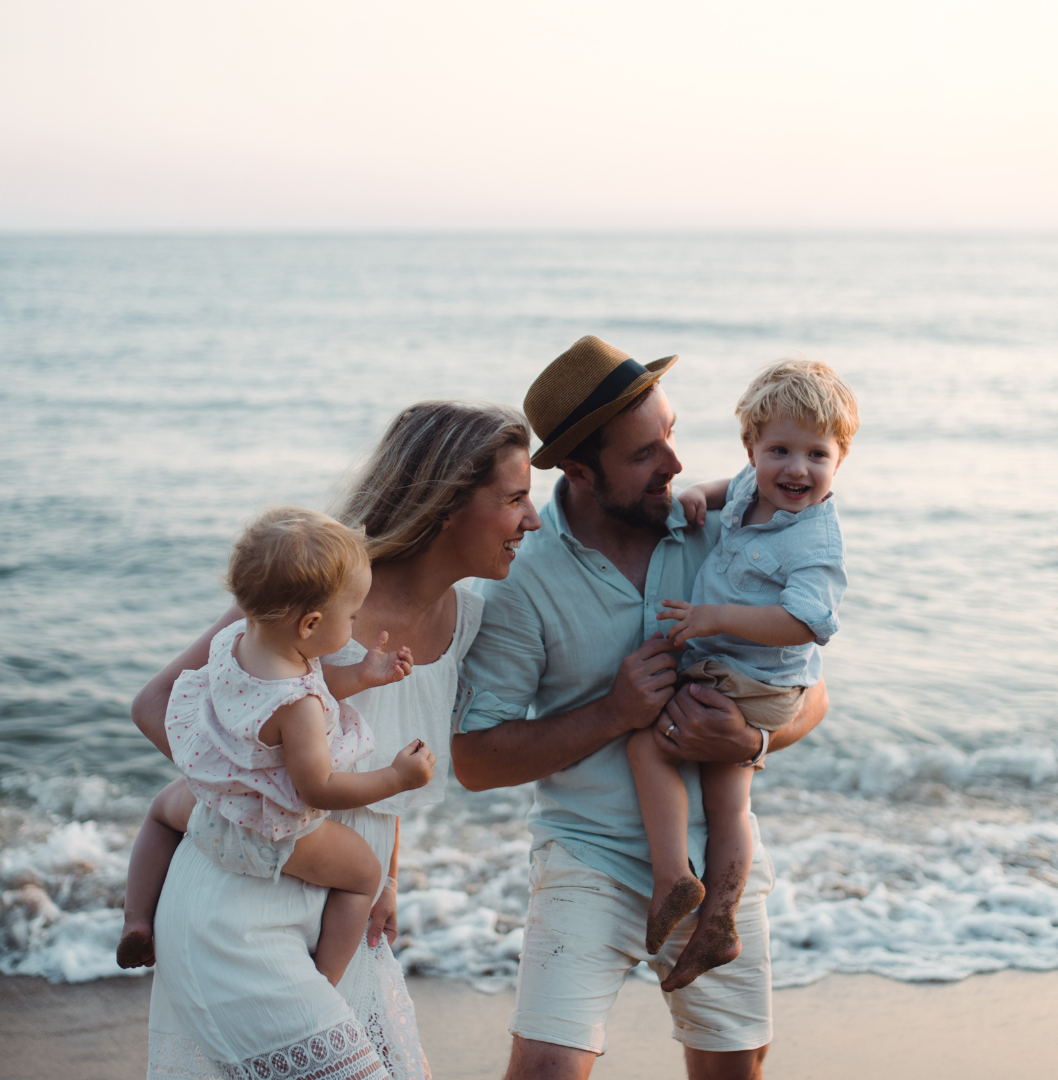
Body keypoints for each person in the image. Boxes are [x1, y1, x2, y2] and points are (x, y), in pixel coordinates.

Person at [452, 336, 829, 1080]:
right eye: (645, 454)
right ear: (582, 472)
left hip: (718, 857)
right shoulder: (521, 575)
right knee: (545, 1071)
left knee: (733, 1070)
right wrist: (612, 712)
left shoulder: (726, 532)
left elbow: (813, 695)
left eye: (673, 434)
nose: (676, 465)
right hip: (585, 856)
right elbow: (475, 760)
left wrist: (748, 740)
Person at [131, 401, 540, 1080]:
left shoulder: (465, 620)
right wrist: (263, 805)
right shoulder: (313, 595)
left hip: (345, 930)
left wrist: (390, 874)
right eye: (516, 497)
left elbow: (387, 761)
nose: (531, 518)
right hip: (238, 920)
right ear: (445, 505)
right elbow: (157, 706)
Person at [118, 506, 435, 987]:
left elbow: (298, 680)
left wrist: (363, 674)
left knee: (161, 812)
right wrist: (397, 777)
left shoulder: (235, 641)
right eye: (351, 616)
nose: (354, 624)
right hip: (266, 835)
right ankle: (326, 980)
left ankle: (136, 919)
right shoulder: (300, 706)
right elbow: (319, 787)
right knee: (363, 876)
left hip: (211, 807)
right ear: (309, 625)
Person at [628, 359, 858, 991]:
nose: (797, 469)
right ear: (751, 450)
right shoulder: (752, 489)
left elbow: (807, 622)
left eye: (818, 454)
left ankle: (684, 885)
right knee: (715, 792)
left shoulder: (816, 541)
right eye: (778, 450)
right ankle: (709, 914)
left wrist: (710, 617)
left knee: (655, 749)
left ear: (840, 459)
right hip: (737, 671)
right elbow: (729, 487)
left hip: (758, 680)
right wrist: (700, 496)